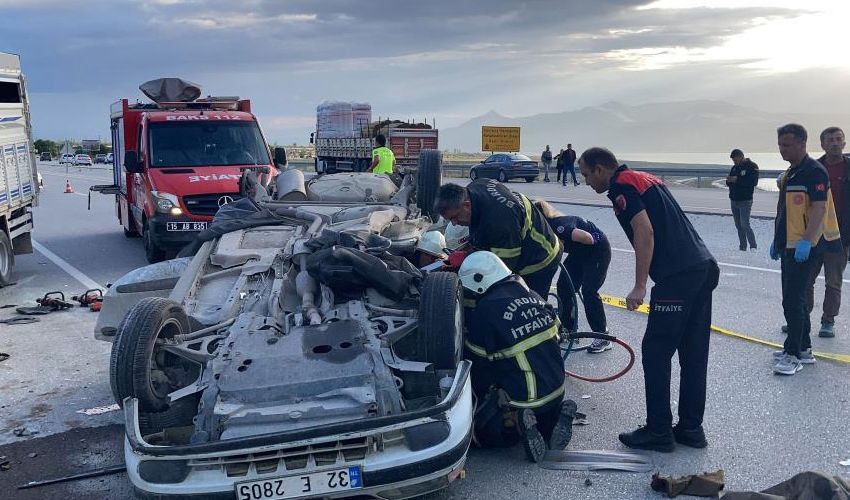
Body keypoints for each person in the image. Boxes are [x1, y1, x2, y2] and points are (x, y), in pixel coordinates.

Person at [578, 147, 719, 452]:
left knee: (655, 352)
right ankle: (691, 430)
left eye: (587, 174)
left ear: (601, 169)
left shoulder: (622, 186)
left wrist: (639, 285)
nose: (586, 181)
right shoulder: (646, 178)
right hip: (703, 267)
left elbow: (645, 231)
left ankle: (658, 432)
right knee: (693, 355)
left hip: (678, 275)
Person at [460, 251, 578, 462]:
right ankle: (555, 418)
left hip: (525, 400)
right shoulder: (533, 294)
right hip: (557, 389)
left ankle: (514, 423)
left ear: (478, 281)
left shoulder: (485, 311)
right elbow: (559, 333)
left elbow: (476, 364)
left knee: (481, 433)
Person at [770, 124, 843, 375]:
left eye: (787, 145)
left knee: (793, 300)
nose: (782, 149)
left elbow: (820, 209)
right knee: (794, 299)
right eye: (780, 145)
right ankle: (804, 348)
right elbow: (787, 210)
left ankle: (792, 355)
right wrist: (778, 241)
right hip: (789, 245)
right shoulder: (793, 172)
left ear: (802, 144)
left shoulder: (813, 172)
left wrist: (806, 241)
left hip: (805, 247)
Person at [434, 180, 563, 299]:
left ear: (466, 205)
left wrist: (467, 261)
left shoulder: (500, 222)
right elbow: (485, 235)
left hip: (540, 259)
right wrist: (467, 255)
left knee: (524, 306)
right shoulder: (475, 187)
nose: (455, 223)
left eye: (454, 217)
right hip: (520, 237)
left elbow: (502, 269)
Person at [535, 200, 612, 353]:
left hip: (597, 250)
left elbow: (588, 239)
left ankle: (602, 336)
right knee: (564, 287)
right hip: (580, 252)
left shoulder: (558, 225)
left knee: (589, 291)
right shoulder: (542, 231)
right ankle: (569, 329)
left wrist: (566, 241)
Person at [806, 127, 850, 338]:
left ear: (844, 143)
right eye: (830, 139)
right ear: (822, 144)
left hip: (840, 238)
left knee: (833, 281)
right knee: (806, 280)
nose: (834, 142)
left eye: (838, 139)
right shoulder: (813, 168)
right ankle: (801, 317)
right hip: (813, 236)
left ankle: (828, 321)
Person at [726, 149, 760, 251]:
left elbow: (753, 182)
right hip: (734, 200)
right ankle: (742, 246)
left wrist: (737, 180)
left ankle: (753, 246)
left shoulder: (752, 166)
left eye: (736, 160)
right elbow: (730, 182)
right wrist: (729, 180)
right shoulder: (734, 168)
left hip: (745, 200)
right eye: (733, 161)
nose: (735, 162)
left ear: (741, 156)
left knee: (745, 224)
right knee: (738, 225)